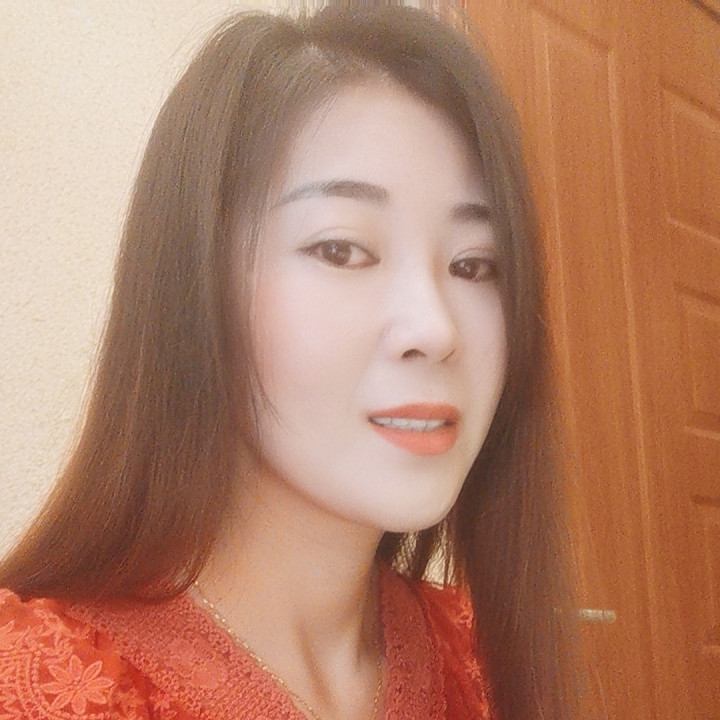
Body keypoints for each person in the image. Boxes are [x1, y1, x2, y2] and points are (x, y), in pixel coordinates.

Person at [0, 5, 576, 719]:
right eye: (342, 249)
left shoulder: (479, 652)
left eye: (474, 264)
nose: (435, 328)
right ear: (195, 287)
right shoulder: (39, 683)